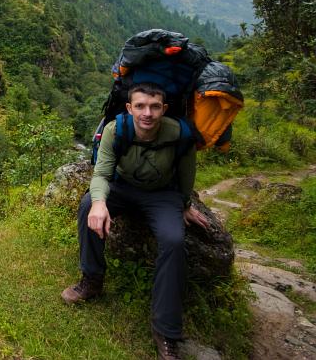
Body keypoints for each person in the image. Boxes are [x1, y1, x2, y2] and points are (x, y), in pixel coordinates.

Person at [61, 83, 209, 360]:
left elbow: (187, 173)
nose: (147, 113)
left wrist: (186, 205)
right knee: (86, 208)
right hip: (122, 187)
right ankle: (92, 279)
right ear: (129, 108)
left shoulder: (180, 134)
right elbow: (102, 173)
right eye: (140, 106)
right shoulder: (115, 130)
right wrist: (99, 203)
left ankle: (165, 330)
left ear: (164, 109)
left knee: (174, 241)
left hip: (162, 194)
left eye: (154, 106)